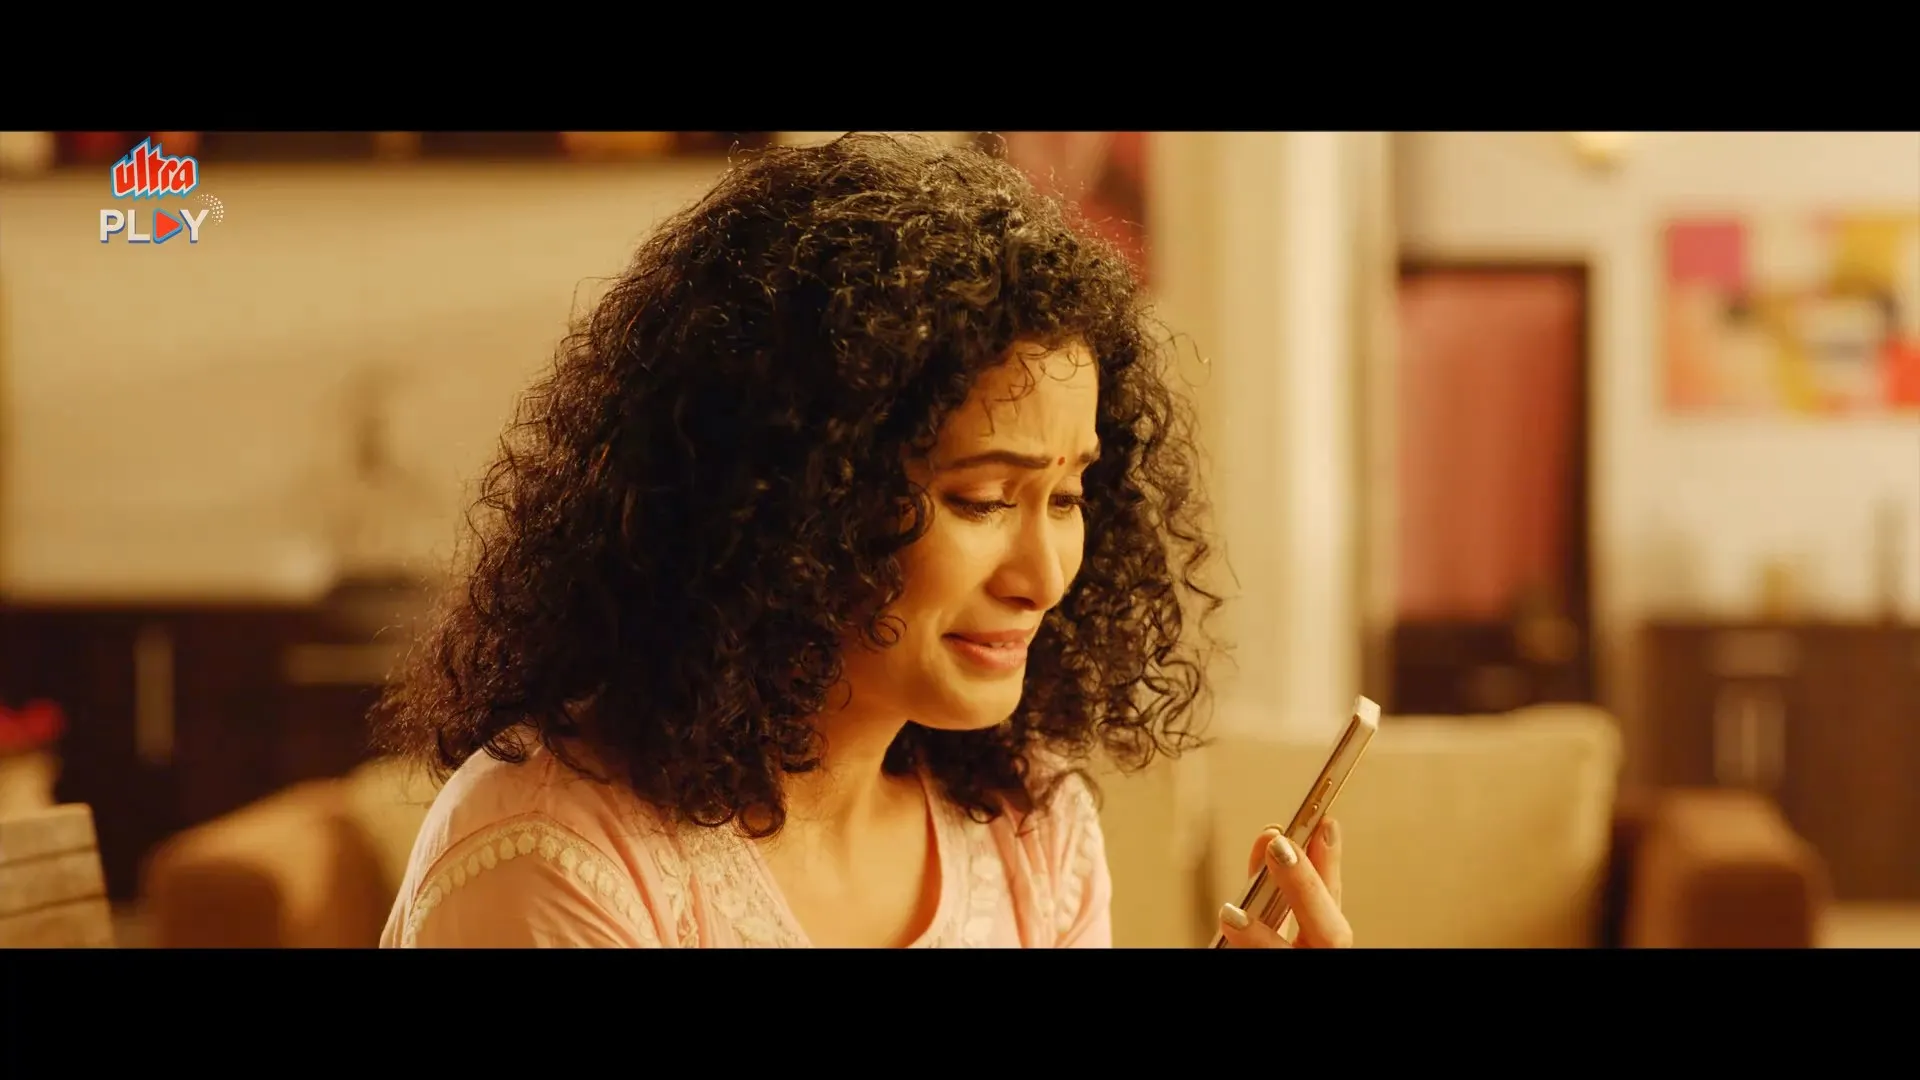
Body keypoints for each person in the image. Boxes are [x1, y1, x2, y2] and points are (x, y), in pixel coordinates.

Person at [373, 133, 1352, 949]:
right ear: (792, 498)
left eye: (1067, 496)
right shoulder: (554, 854)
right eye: (983, 500)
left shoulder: (1031, 833)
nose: (1045, 577)